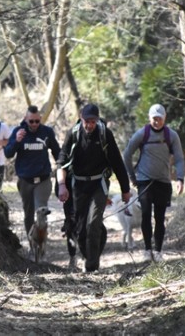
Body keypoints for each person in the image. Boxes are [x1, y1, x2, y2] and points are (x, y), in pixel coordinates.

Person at [56, 104, 131, 273]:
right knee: (81, 228)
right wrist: (61, 186)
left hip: (99, 184)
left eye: (93, 121)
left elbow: (117, 163)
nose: (89, 125)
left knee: (94, 223)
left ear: (97, 120)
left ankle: (92, 266)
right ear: (80, 118)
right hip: (79, 185)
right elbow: (61, 162)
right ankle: (89, 255)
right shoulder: (73, 134)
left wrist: (125, 190)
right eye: (86, 121)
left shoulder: (105, 134)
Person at [123, 103, 185, 262]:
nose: (157, 122)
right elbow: (127, 154)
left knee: (160, 216)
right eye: (154, 119)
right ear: (149, 118)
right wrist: (132, 176)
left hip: (163, 182)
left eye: (160, 119)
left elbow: (178, 158)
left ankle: (157, 251)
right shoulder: (142, 134)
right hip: (144, 181)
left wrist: (180, 178)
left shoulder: (171, 135)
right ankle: (147, 250)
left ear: (164, 118)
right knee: (145, 215)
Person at [4, 105, 61, 242]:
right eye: (31, 121)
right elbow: (8, 153)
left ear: (40, 119)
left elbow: (57, 151)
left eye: (37, 121)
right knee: (28, 214)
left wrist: (62, 167)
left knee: (41, 211)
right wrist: (16, 141)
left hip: (43, 179)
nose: (34, 124)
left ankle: (41, 243)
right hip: (25, 180)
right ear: (26, 119)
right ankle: (32, 244)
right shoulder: (19, 132)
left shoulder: (47, 132)